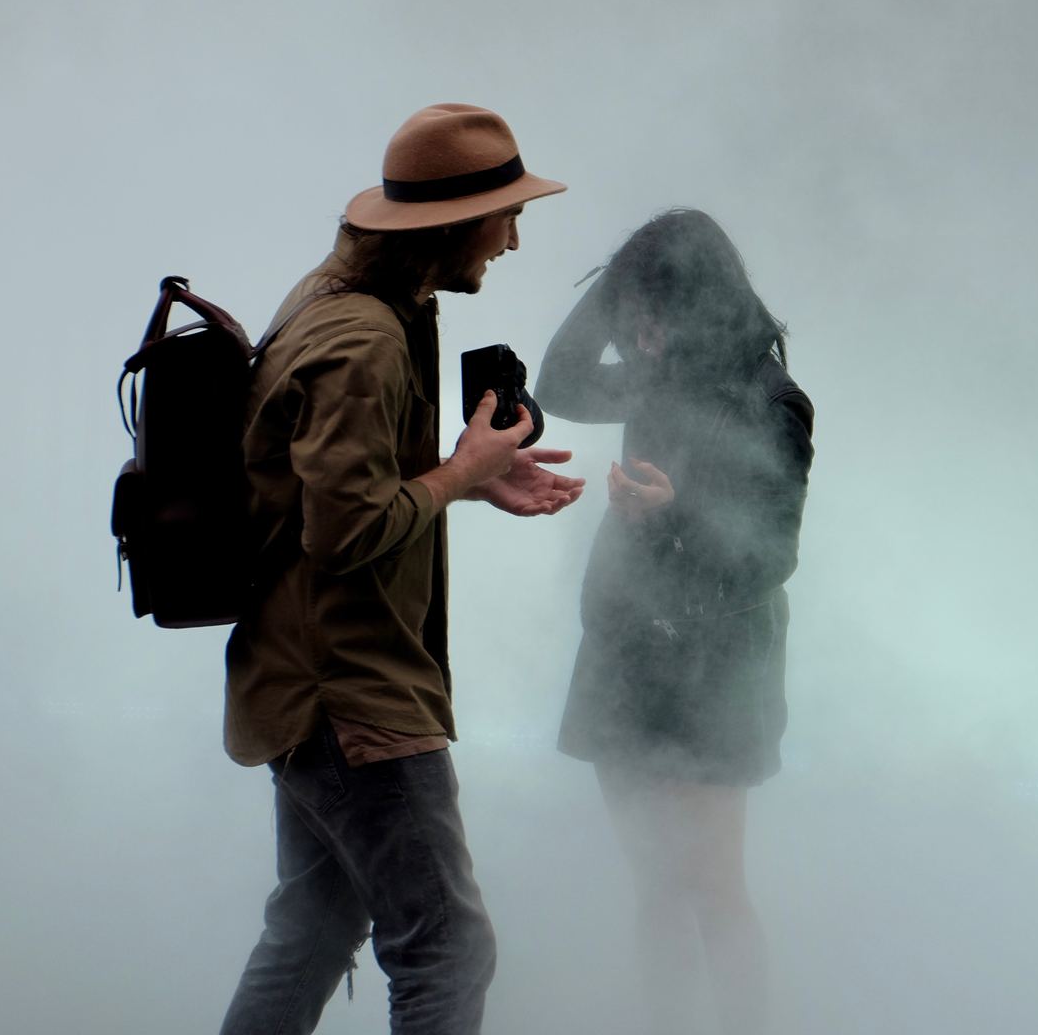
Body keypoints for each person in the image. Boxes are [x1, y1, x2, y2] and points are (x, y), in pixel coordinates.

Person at [218, 103, 584, 1035]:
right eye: (505, 214)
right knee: (447, 947)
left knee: (314, 924)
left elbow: (348, 489)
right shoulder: (366, 343)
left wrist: (473, 482)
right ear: (453, 223)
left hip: (306, 679)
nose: (511, 237)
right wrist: (461, 472)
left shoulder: (352, 300)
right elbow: (343, 531)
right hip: (353, 694)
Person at [535, 208, 814, 1035]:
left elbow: (770, 554)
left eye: (655, 315)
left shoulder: (772, 398)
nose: (639, 335)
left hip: (715, 672)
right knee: (654, 888)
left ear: (702, 306)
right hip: (625, 653)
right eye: (631, 318)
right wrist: (616, 283)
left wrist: (676, 512)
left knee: (712, 890)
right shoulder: (657, 375)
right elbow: (557, 381)